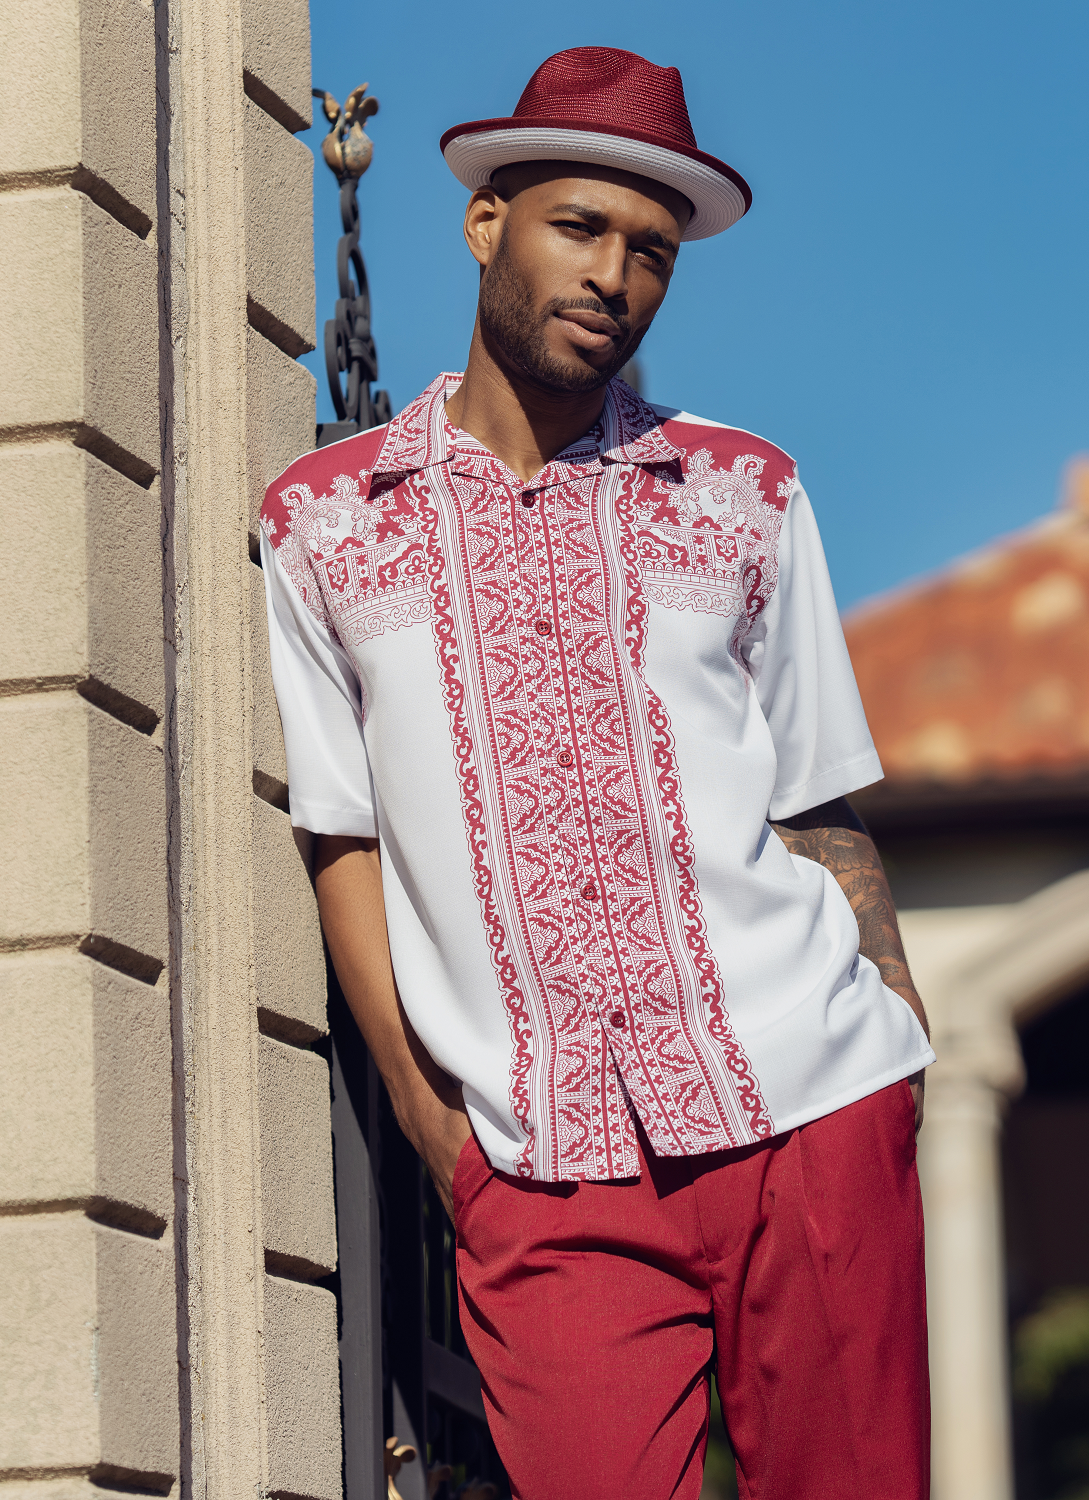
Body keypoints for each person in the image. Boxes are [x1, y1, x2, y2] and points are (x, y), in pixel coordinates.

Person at [261, 46, 934, 1500]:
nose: (615, 275)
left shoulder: (746, 490)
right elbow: (341, 837)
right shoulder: (322, 521)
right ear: (483, 221)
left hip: (810, 1109)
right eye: (580, 226)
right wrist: (440, 1131)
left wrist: (894, 1033)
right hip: (540, 1162)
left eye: (653, 251)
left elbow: (817, 803)